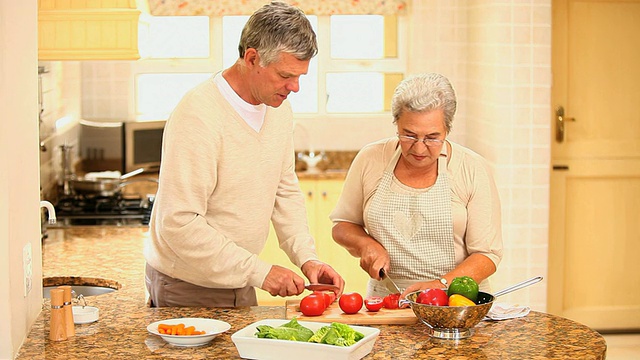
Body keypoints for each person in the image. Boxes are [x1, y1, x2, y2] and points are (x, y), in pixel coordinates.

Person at [144, 1, 344, 307]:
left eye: (300, 76)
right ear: (252, 58)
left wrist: (308, 259)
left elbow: (284, 191)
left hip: (239, 281)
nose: (295, 87)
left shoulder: (279, 110)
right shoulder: (198, 115)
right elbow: (178, 223)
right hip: (187, 287)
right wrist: (260, 271)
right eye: (285, 75)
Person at [330, 73, 503, 300]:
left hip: (456, 302)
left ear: (447, 130)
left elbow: (487, 255)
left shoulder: (471, 168)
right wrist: (366, 245)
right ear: (396, 124)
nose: (419, 149)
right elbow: (343, 225)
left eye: (432, 137)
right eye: (409, 135)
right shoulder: (371, 159)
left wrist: (438, 286)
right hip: (387, 301)